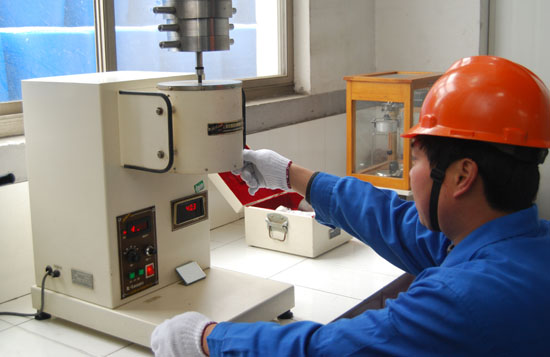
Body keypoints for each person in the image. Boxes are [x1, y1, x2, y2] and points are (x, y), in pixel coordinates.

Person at [151, 56, 550, 356]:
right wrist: (290, 175)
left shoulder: (459, 299)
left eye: (416, 160)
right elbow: (394, 221)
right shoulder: (518, 246)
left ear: (462, 176)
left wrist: (207, 339)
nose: (410, 174)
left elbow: (327, 349)